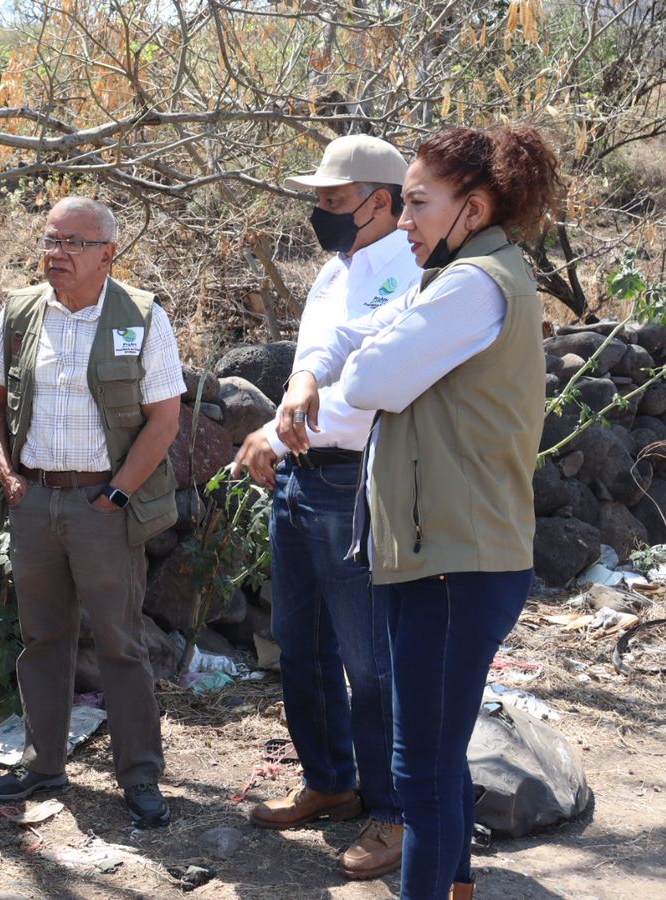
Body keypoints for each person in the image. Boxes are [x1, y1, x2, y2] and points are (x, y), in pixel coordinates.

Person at [277, 125, 562, 900]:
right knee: (434, 755)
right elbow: (366, 344)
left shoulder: (472, 285)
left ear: (473, 207)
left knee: (421, 769)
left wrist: (354, 357)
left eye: (418, 203)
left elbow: (371, 377)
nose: (405, 221)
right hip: (451, 554)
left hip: (453, 561)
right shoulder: (472, 274)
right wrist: (344, 356)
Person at [233, 135, 420, 880]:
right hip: (305, 476)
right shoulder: (331, 274)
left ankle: (395, 810)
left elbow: (373, 384)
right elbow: (315, 363)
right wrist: (287, 426)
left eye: (333, 201)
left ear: (381, 201)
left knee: (371, 662)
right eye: (319, 200)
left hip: (356, 479)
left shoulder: (410, 271)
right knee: (299, 640)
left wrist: (278, 430)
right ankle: (331, 781)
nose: (321, 212)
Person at [0, 196, 183, 827]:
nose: (55, 253)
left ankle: (141, 775)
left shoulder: (143, 316)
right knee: (42, 639)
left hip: (104, 505)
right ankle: (43, 765)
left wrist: (117, 493)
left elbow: (164, 420)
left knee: (121, 644)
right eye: (50, 239)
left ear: (107, 254)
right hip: (34, 500)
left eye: (72, 243)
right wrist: (8, 474)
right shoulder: (18, 313)